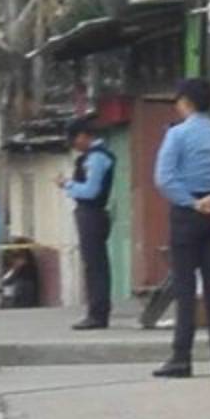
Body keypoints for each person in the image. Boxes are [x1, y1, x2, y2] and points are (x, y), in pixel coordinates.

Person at [151, 78, 210, 378]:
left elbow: (164, 178)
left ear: (186, 102)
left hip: (187, 214)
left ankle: (181, 358)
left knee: (185, 287)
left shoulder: (177, 135)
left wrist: (192, 203)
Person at [57, 114, 116, 330]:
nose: (74, 145)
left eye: (74, 139)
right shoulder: (92, 156)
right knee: (93, 264)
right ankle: (97, 311)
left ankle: (98, 313)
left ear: (83, 136)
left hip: (93, 214)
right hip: (90, 214)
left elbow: (91, 191)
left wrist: (68, 185)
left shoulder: (97, 157)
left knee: (95, 265)